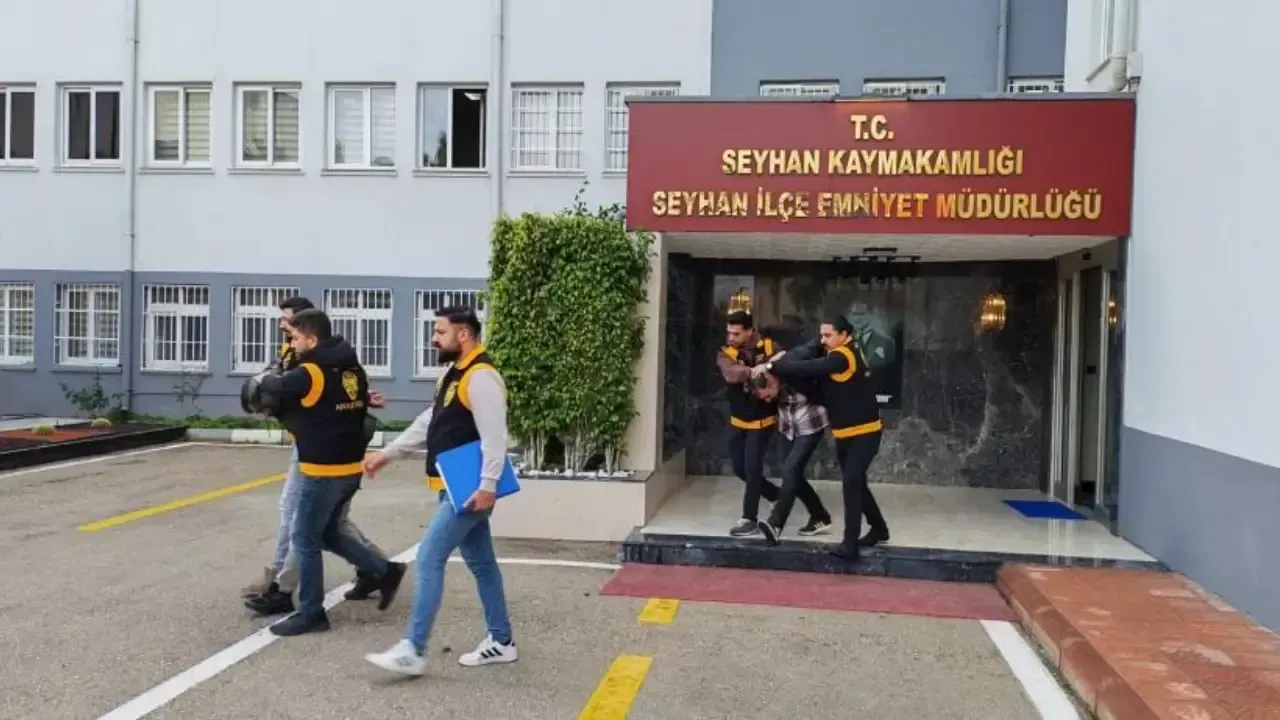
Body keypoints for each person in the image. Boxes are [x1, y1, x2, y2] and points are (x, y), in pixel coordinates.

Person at [363, 305, 515, 677]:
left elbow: (495, 437)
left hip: (470, 490)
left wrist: (488, 486)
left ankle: (413, 649)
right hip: (456, 487)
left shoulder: (481, 377)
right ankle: (502, 641)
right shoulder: (453, 373)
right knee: (482, 564)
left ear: (464, 334)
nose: (434, 338)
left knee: (429, 556)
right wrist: (387, 454)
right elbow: (428, 421)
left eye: (440, 332)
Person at [253, 308, 405, 636]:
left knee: (304, 538)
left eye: (295, 337)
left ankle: (311, 612)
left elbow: (268, 390)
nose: (292, 344)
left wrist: (261, 386)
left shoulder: (309, 373)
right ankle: (383, 571)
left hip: (321, 471)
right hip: (350, 468)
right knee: (328, 533)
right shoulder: (352, 368)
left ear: (311, 338)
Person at [755, 316, 891, 561]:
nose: (823, 340)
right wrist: (785, 369)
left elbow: (807, 368)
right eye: (821, 335)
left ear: (844, 335)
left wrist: (772, 366)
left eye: (828, 335)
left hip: (865, 432)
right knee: (857, 483)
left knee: (851, 483)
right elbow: (816, 390)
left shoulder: (843, 356)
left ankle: (850, 544)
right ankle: (879, 528)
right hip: (845, 433)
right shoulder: (835, 355)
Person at [756, 340, 834, 544]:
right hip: (787, 426)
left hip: (810, 422)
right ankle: (820, 516)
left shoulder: (790, 368)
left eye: (768, 396)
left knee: (791, 469)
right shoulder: (766, 376)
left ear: (772, 382)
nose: (768, 400)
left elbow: (803, 350)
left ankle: (775, 524)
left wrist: (823, 340)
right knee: (792, 472)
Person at [716, 311, 783, 537]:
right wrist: (754, 371)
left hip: (763, 420)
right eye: (729, 333)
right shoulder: (726, 352)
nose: (731, 337)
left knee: (753, 468)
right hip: (738, 419)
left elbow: (785, 361)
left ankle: (749, 518)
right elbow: (731, 373)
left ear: (750, 331)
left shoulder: (770, 347)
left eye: (736, 333)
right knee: (740, 468)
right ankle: (776, 496)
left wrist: (770, 369)